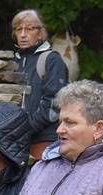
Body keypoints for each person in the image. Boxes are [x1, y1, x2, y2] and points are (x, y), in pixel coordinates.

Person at [11, 9, 68, 161]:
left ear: (41, 32)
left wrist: (26, 128)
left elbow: (54, 103)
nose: (23, 34)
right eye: (18, 29)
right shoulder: (12, 63)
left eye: (30, 28)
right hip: (14, 141)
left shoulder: (51, 60)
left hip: (44, 140)